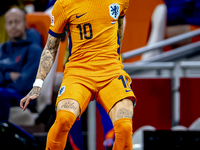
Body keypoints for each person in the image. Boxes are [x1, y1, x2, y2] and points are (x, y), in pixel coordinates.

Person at [20, 0, 136, 150]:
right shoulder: (63, 4)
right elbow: (50, 48)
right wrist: (37, 84)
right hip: (78, 73)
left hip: (111, 72)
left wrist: (115, 55)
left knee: (125, 126)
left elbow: (119, 24)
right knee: (63, 119)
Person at [0, 7, 43, 121]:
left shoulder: (35, 50)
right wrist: (10, 76)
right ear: (5, 26)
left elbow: (24, 84)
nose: (13, 25)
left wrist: (4, 75)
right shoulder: (2, 49)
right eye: (10, 22)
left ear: (25, 23)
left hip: (24, 97)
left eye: (17, 21)